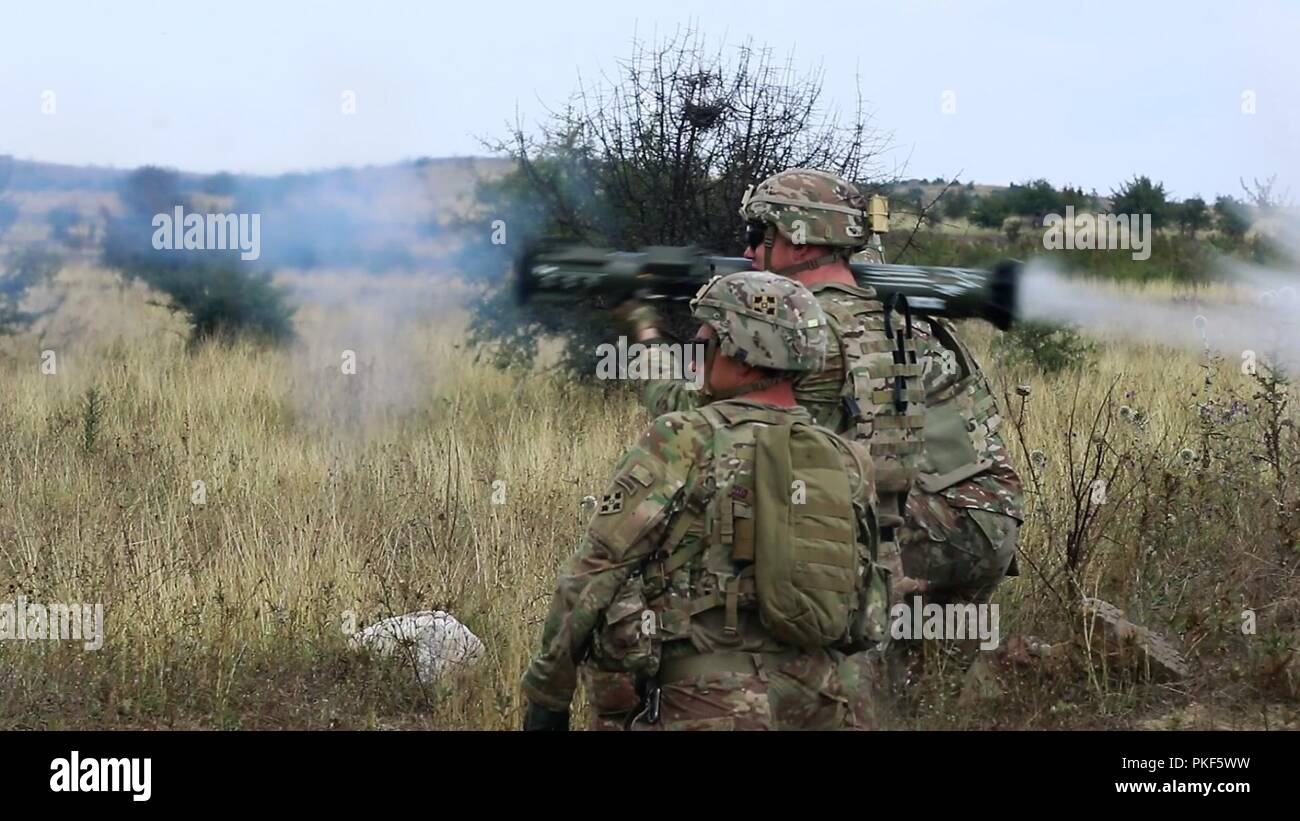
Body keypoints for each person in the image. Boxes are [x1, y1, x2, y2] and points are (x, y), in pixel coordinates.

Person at [624, 169, 1023, 612]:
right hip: (985, 524)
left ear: (798, 240)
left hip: (918, 529)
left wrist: (646, 333)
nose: (748, 250)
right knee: (920, 677)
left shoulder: (802, 330)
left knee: (716, 515)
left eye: (759, 234)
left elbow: (686, 415)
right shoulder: (897, 310)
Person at [522, 271, 890, 731]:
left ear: (744, 356)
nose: (696, 354)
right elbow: (867, 597)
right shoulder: (848, 459)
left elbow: (593, 576)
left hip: (711, 706)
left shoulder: (683, 438)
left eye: (706, 342)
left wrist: (547, 696)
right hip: (830, 702)